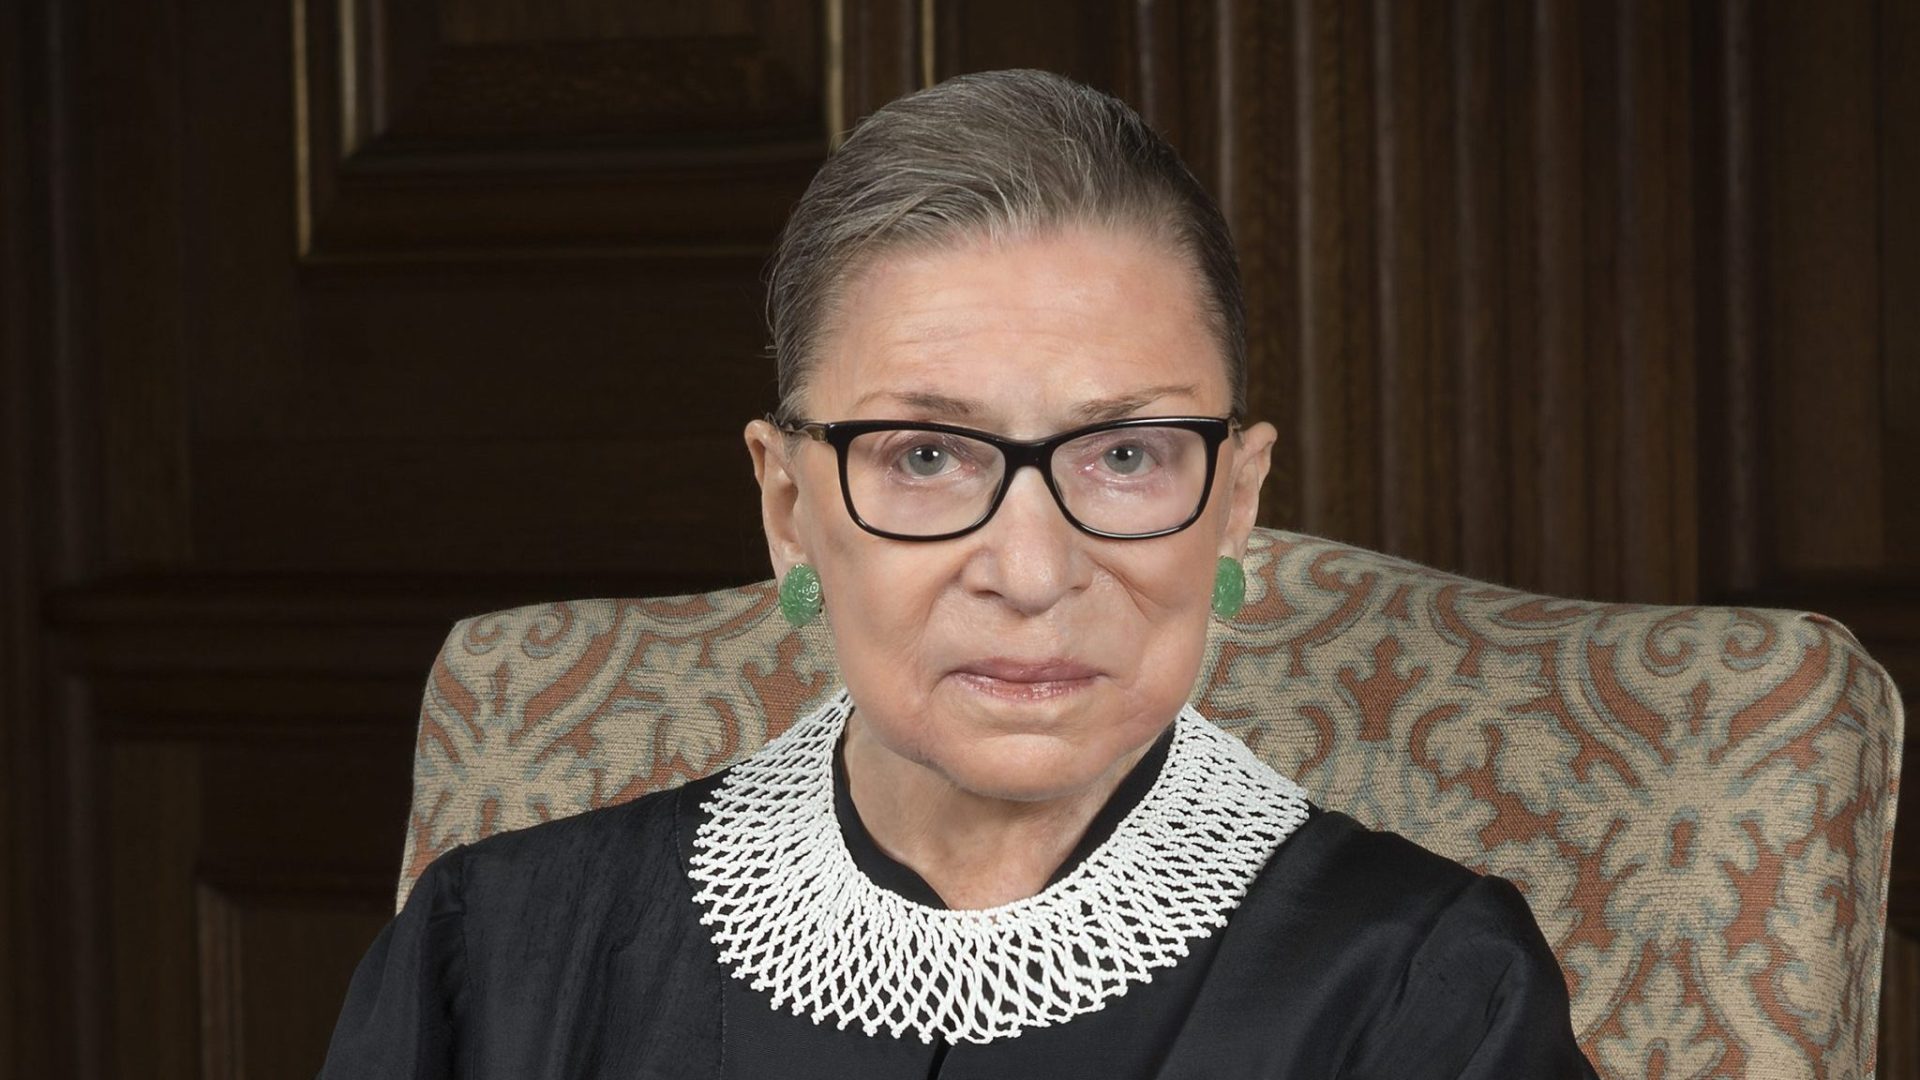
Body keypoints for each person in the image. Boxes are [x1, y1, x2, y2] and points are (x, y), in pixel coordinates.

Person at [318, 69, 1599, 1078]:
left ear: (1236, 505)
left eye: (1128, 454)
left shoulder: (1428, 992)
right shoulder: (498, 956)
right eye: (926, 453)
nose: (1033, 573)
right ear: (787, 504)